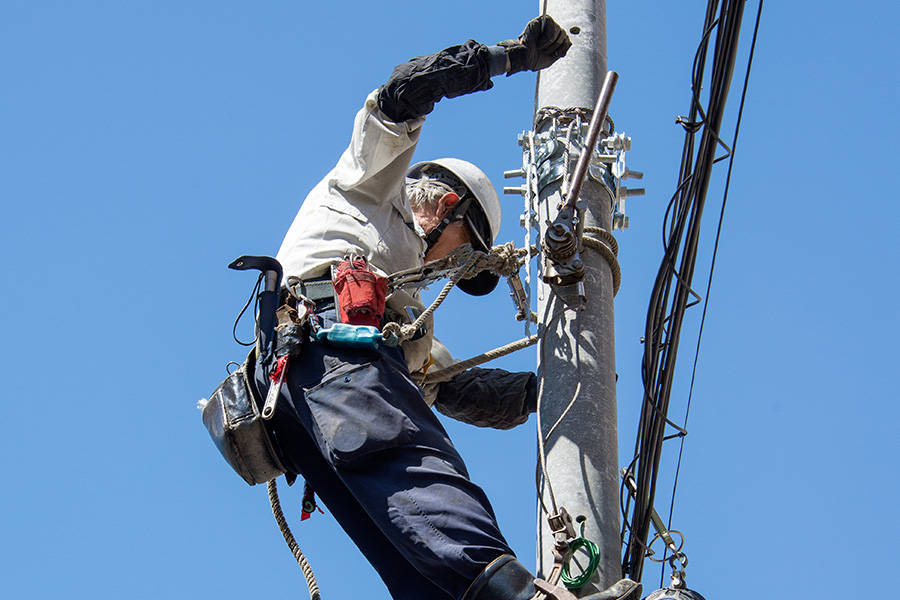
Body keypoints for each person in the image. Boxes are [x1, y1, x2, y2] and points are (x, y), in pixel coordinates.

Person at [254, 15, 639, 600]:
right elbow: (408, 86)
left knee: (416, 559)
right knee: (428, 479)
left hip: (303, 411)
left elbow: (453, 388)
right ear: (450, 206)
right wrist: (510, 57)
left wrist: (560, 390)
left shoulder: (406, 315)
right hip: (325, 354)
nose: (465, 271)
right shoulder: (370, 182)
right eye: (472, 254)